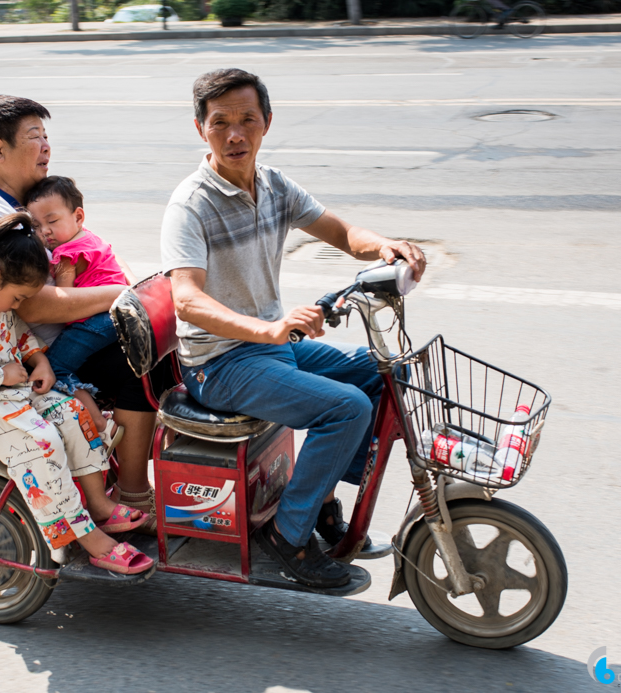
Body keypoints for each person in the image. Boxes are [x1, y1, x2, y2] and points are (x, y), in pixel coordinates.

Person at [161, 69, 426, 588]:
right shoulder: (191, 204)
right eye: (220, 123)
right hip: (220, 364)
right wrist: (272, 330)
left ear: (266, 124)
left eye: (247, 121)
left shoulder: (275, 185)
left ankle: (321, 502)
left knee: (380, 373)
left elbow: (343, 232)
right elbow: (187, 301)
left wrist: (386, 247)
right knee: (345, 408)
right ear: (200, 129)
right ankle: (289, 536)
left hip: (269, 349)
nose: (235, 135)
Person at [0, 94, 170, 533]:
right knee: (136, 367)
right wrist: (119, 293)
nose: (46, 146)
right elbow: (37, 301)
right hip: (13, 355)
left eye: (47, 136)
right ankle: (132, 498)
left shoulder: (12, 206)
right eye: (34, 137)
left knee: (152, 356)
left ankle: (129, 488)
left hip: (41, 341)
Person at [0, 212, 152, 574]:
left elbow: (18, 329)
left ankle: (98, 505)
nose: (17, 305)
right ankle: (87, 535)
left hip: (12, 391)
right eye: (16, 298)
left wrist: (38, 358)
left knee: (73, 411)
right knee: (42, 442)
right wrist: (1, 373)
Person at [25, 175, 136, 457]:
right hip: (117, 314)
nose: (45, 231)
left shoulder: (65, 255)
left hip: (97, 320)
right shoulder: (91, 238)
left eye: (52, 221)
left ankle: (100, 424)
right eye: (36, 225)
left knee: (56, 367)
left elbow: (64, 303)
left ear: (78, 216)